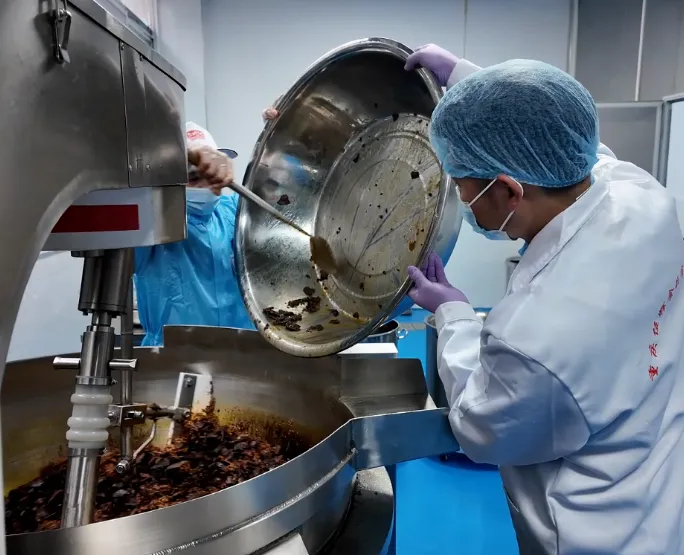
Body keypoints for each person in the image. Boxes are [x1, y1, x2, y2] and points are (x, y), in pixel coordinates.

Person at [405, 45, 684, 554]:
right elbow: (559, 136)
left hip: (595, 532)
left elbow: (483, 425)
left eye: (463, 188)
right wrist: (466, 78)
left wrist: (452, 312)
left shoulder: (537, 338)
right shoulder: (640, 193)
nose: (462, 202)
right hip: (660, 493)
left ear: (508, 192)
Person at [133, 122, 253, 346]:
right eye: (194, 178)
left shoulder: (234, 211)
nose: (207, 187)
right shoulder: (153, 222)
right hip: (174, 358)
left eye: (212, 176)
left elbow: (285, 202)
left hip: (244, 353)